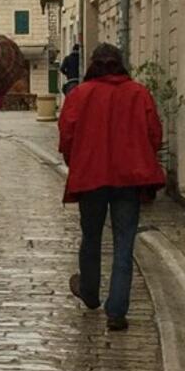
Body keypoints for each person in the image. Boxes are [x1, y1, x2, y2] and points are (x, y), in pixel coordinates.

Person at [57, 43, 164, 331]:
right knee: (124, 243)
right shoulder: (139, 93)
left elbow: (67, 133)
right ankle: (116, 310)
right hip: (129, 178)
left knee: (91, 237)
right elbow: (154, 133)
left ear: (92, 64)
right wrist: (143, 158)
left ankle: (90, 293)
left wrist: (75, 160)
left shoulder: (80, 94)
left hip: (92, 176)